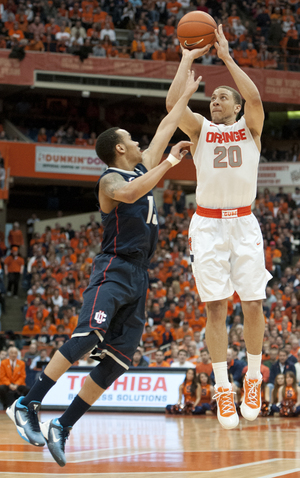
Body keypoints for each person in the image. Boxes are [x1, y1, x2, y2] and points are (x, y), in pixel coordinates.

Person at [6, 70, 201, 467]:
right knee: (86, 336)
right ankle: (26, 403)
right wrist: (167, 164)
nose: (137, 141)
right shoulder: (111, 179)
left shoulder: (139, 165)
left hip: (139, 275)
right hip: (112, 268)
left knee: (117, 361)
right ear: (118, 149)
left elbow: (167, 125)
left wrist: (186, 79)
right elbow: (132, 192)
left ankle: (63, 425)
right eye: (130, 138)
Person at [166, 24, 272, 430]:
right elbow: (174, 105)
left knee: (253, 302)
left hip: (244, 222)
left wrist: (226, 58)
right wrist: (187, 58)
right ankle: (223, 386)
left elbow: (256, 96)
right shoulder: (202, 130)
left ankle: (252, 378)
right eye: (212, 98)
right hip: (207, 225)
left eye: (222, 96)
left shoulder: (251, 128)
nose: (216, 100)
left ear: (236, 107)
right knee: (214, 307)